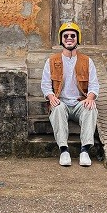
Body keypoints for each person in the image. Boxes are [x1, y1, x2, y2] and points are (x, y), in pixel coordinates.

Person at [41, 22, 100, 167]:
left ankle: (85, 150)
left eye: (72, 36)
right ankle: (64, 150)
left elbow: (94, 85)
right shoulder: (51, 61)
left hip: (80, 102)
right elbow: (45, 85)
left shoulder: (87, 61)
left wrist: (90, 97)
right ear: (61, 39)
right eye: (65, 36)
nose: (69, 38)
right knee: (58, 108)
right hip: (61, 102)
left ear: (77, 39)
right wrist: (51, 97)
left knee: (91, 108)